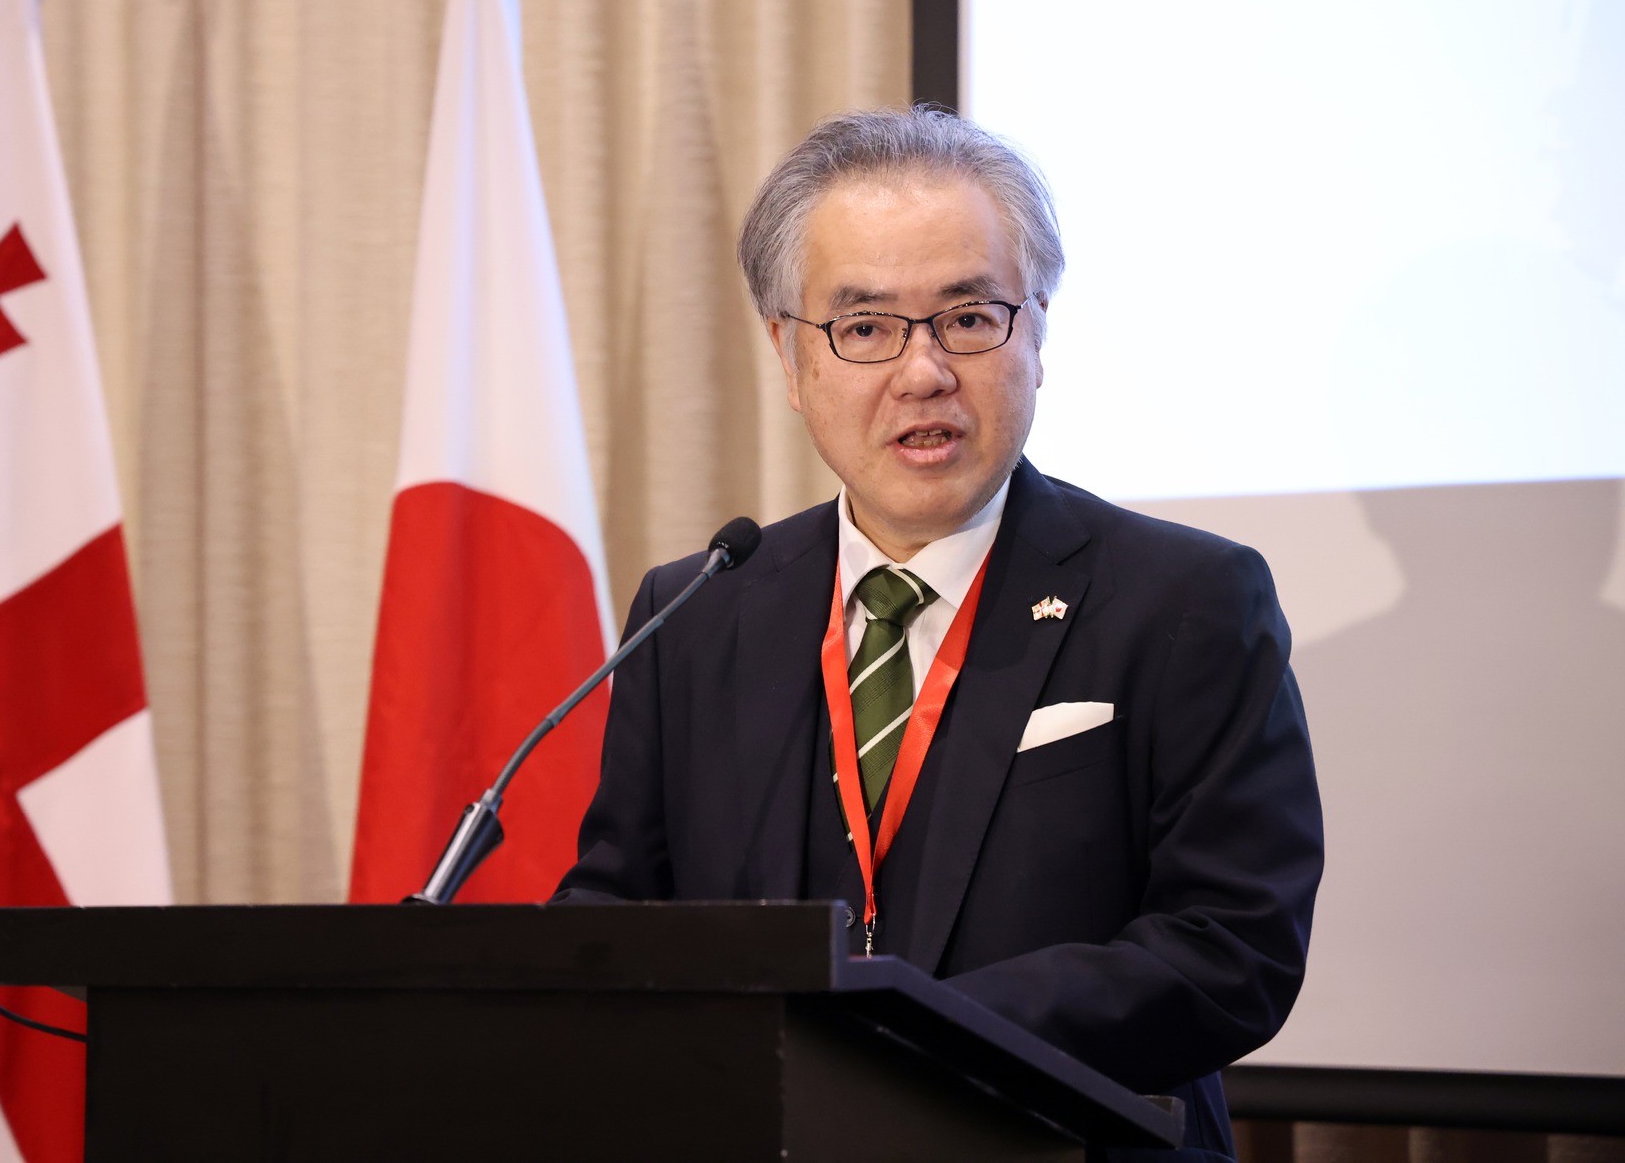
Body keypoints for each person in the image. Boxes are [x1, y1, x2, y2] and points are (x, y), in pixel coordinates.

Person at [557, 107, 1323, 1160]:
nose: (923, 372)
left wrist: (908, 1038)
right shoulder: (696, 614)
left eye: (968, 318)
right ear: (790, 357)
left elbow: (1230, 948)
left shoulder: (1185, 600)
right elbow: (618, 914)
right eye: (866, 328)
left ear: (1037, 332)